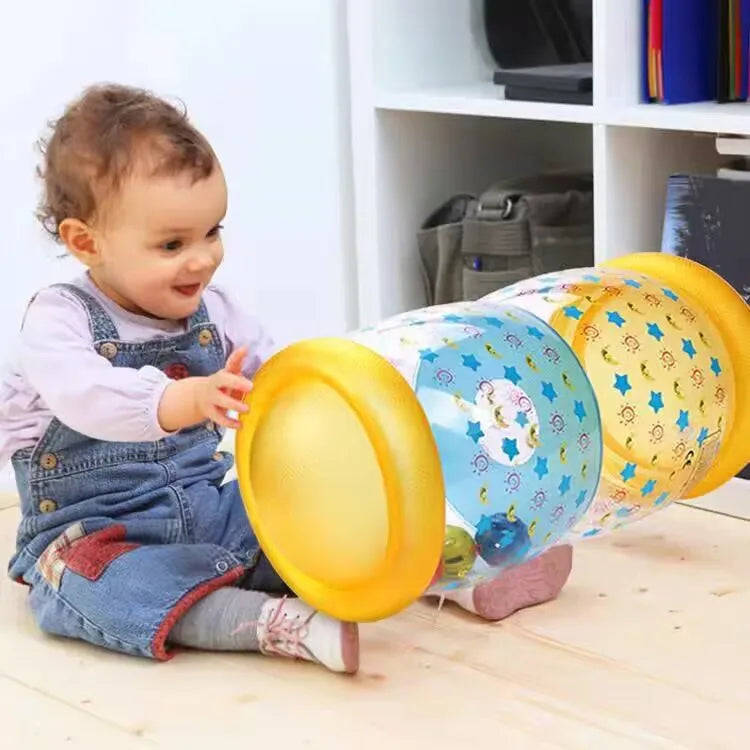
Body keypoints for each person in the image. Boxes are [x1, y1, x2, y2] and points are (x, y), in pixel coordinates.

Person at [0, 83, 572, 675]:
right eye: (172, 244)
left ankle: (451, 577)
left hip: (211, 506)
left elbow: (280, 379)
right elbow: (84, 398)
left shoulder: (213, 312)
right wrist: (184, 397)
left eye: (212, 231)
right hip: (96, 529)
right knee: (82, 585)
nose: (202, 258)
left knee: (314, 515)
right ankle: (270, 625)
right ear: (85, 242)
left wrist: (349, 401)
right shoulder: (58, 319)